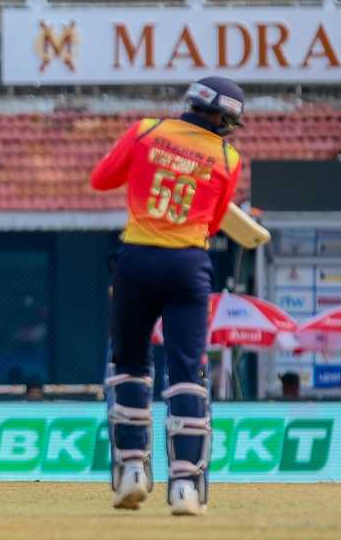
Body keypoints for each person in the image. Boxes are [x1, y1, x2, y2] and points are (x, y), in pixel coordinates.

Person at [91, 76, 245, 516]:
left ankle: (132, 471)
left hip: (136, 260)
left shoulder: (145, 131)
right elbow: (214, 225)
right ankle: (185, 488)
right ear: (221, 117)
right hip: (187, 267)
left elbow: (102, 180)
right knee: (186, 373)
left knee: (130, 365)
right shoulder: (227, 158)